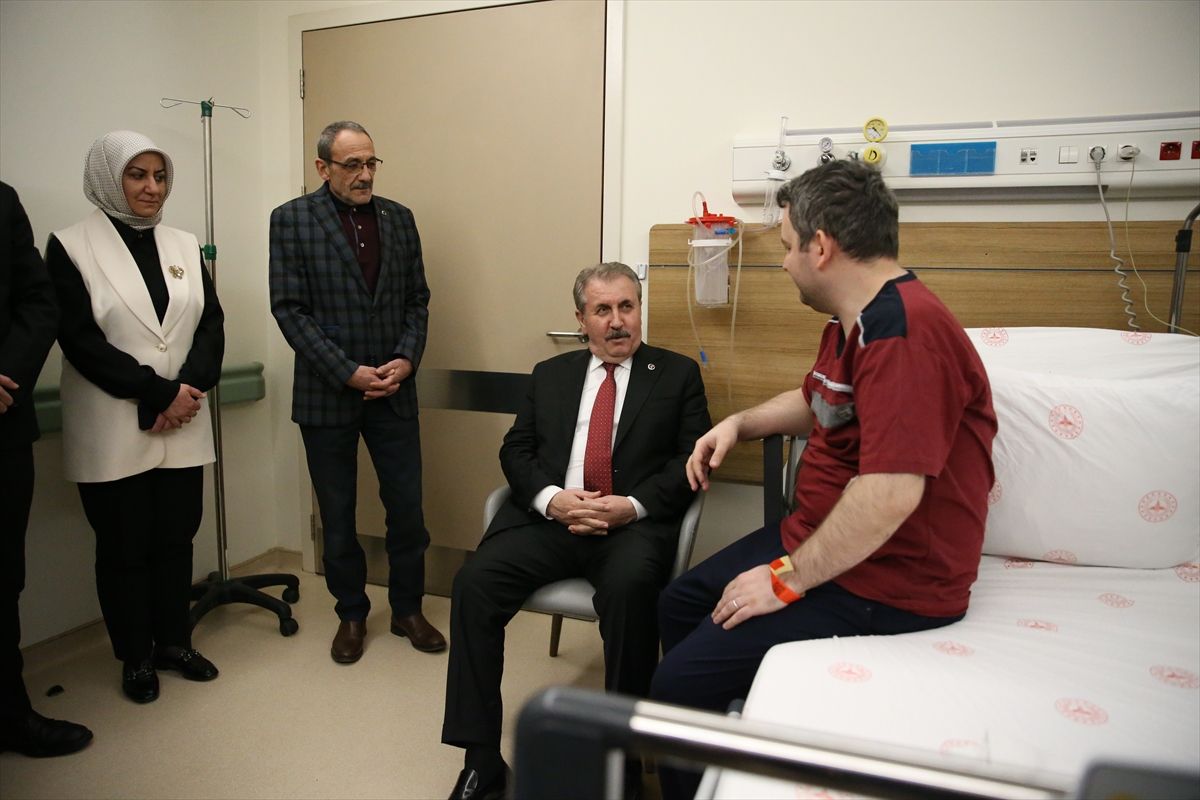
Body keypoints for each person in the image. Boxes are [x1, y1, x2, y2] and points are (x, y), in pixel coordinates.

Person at [649, 160, 998, 800]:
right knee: (679, 603)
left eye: (787, 247)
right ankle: (724, 741)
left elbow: (890, 494)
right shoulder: (852, 320)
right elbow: (821, 402)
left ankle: (703, 748)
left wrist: (785, 580)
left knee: (676, 685)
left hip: (891, 579)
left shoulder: (904, 335)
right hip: (815, 534)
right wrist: (740, 424)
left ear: (821, 247)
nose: (784, 264)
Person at [442, 262, 712, 800]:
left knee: (633, 592)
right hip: (552, 521)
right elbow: (516, 450)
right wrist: (552, 500)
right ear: (581, 319)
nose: (617, 321)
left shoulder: (677, 374)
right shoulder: (551, 374)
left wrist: (631, 506)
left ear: (640, 310)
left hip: (629, 527)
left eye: (627, 306)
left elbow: (691, 459)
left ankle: (624, 765)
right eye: (602, 309)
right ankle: (481, 759)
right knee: (473, 584)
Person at [45, 131, 225, 705]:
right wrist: (157, 393)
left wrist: (188, 390)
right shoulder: (70, 245)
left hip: (184, 419)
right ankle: (135, 657)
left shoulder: (183, 243)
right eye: (137, 175)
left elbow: (211, 324)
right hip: (113, 421)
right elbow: (79, 339)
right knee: (124, 547)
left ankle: (174, 643)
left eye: (160, 176)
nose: (152, 188)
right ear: (107, 178)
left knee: (176, 538)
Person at [270, 120, 444, 664]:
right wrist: (347, 371)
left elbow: (417, 300)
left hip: (393, 390)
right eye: (352, 165)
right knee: (338, 514)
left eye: (371, 163)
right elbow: (290, 311)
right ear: (323, 167)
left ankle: (407, 609)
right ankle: (351, 613)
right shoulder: (291, 220)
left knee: (407, 510)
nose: (365, 174)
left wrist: (406, 360)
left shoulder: (399, 218)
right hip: (328, 393)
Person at [0, 181, 93, 755]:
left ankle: (10, 715)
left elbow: (38, 302)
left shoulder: (2, 200)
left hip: (3, 418)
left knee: (4, 578)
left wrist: (6, 377)